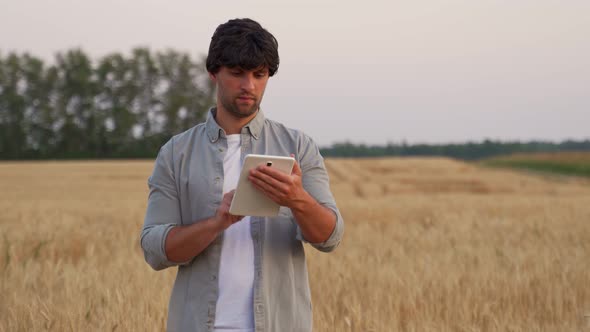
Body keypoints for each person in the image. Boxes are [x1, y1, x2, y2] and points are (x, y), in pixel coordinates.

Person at [140, 18, 344, 332]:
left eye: (259, 74)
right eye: (237, 74)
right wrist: (217, 223)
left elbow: (331, 237)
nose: (249, 85)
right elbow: (155, 250)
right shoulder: (176, 154)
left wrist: (298, 200)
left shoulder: (297, 147)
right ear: (213, 74)